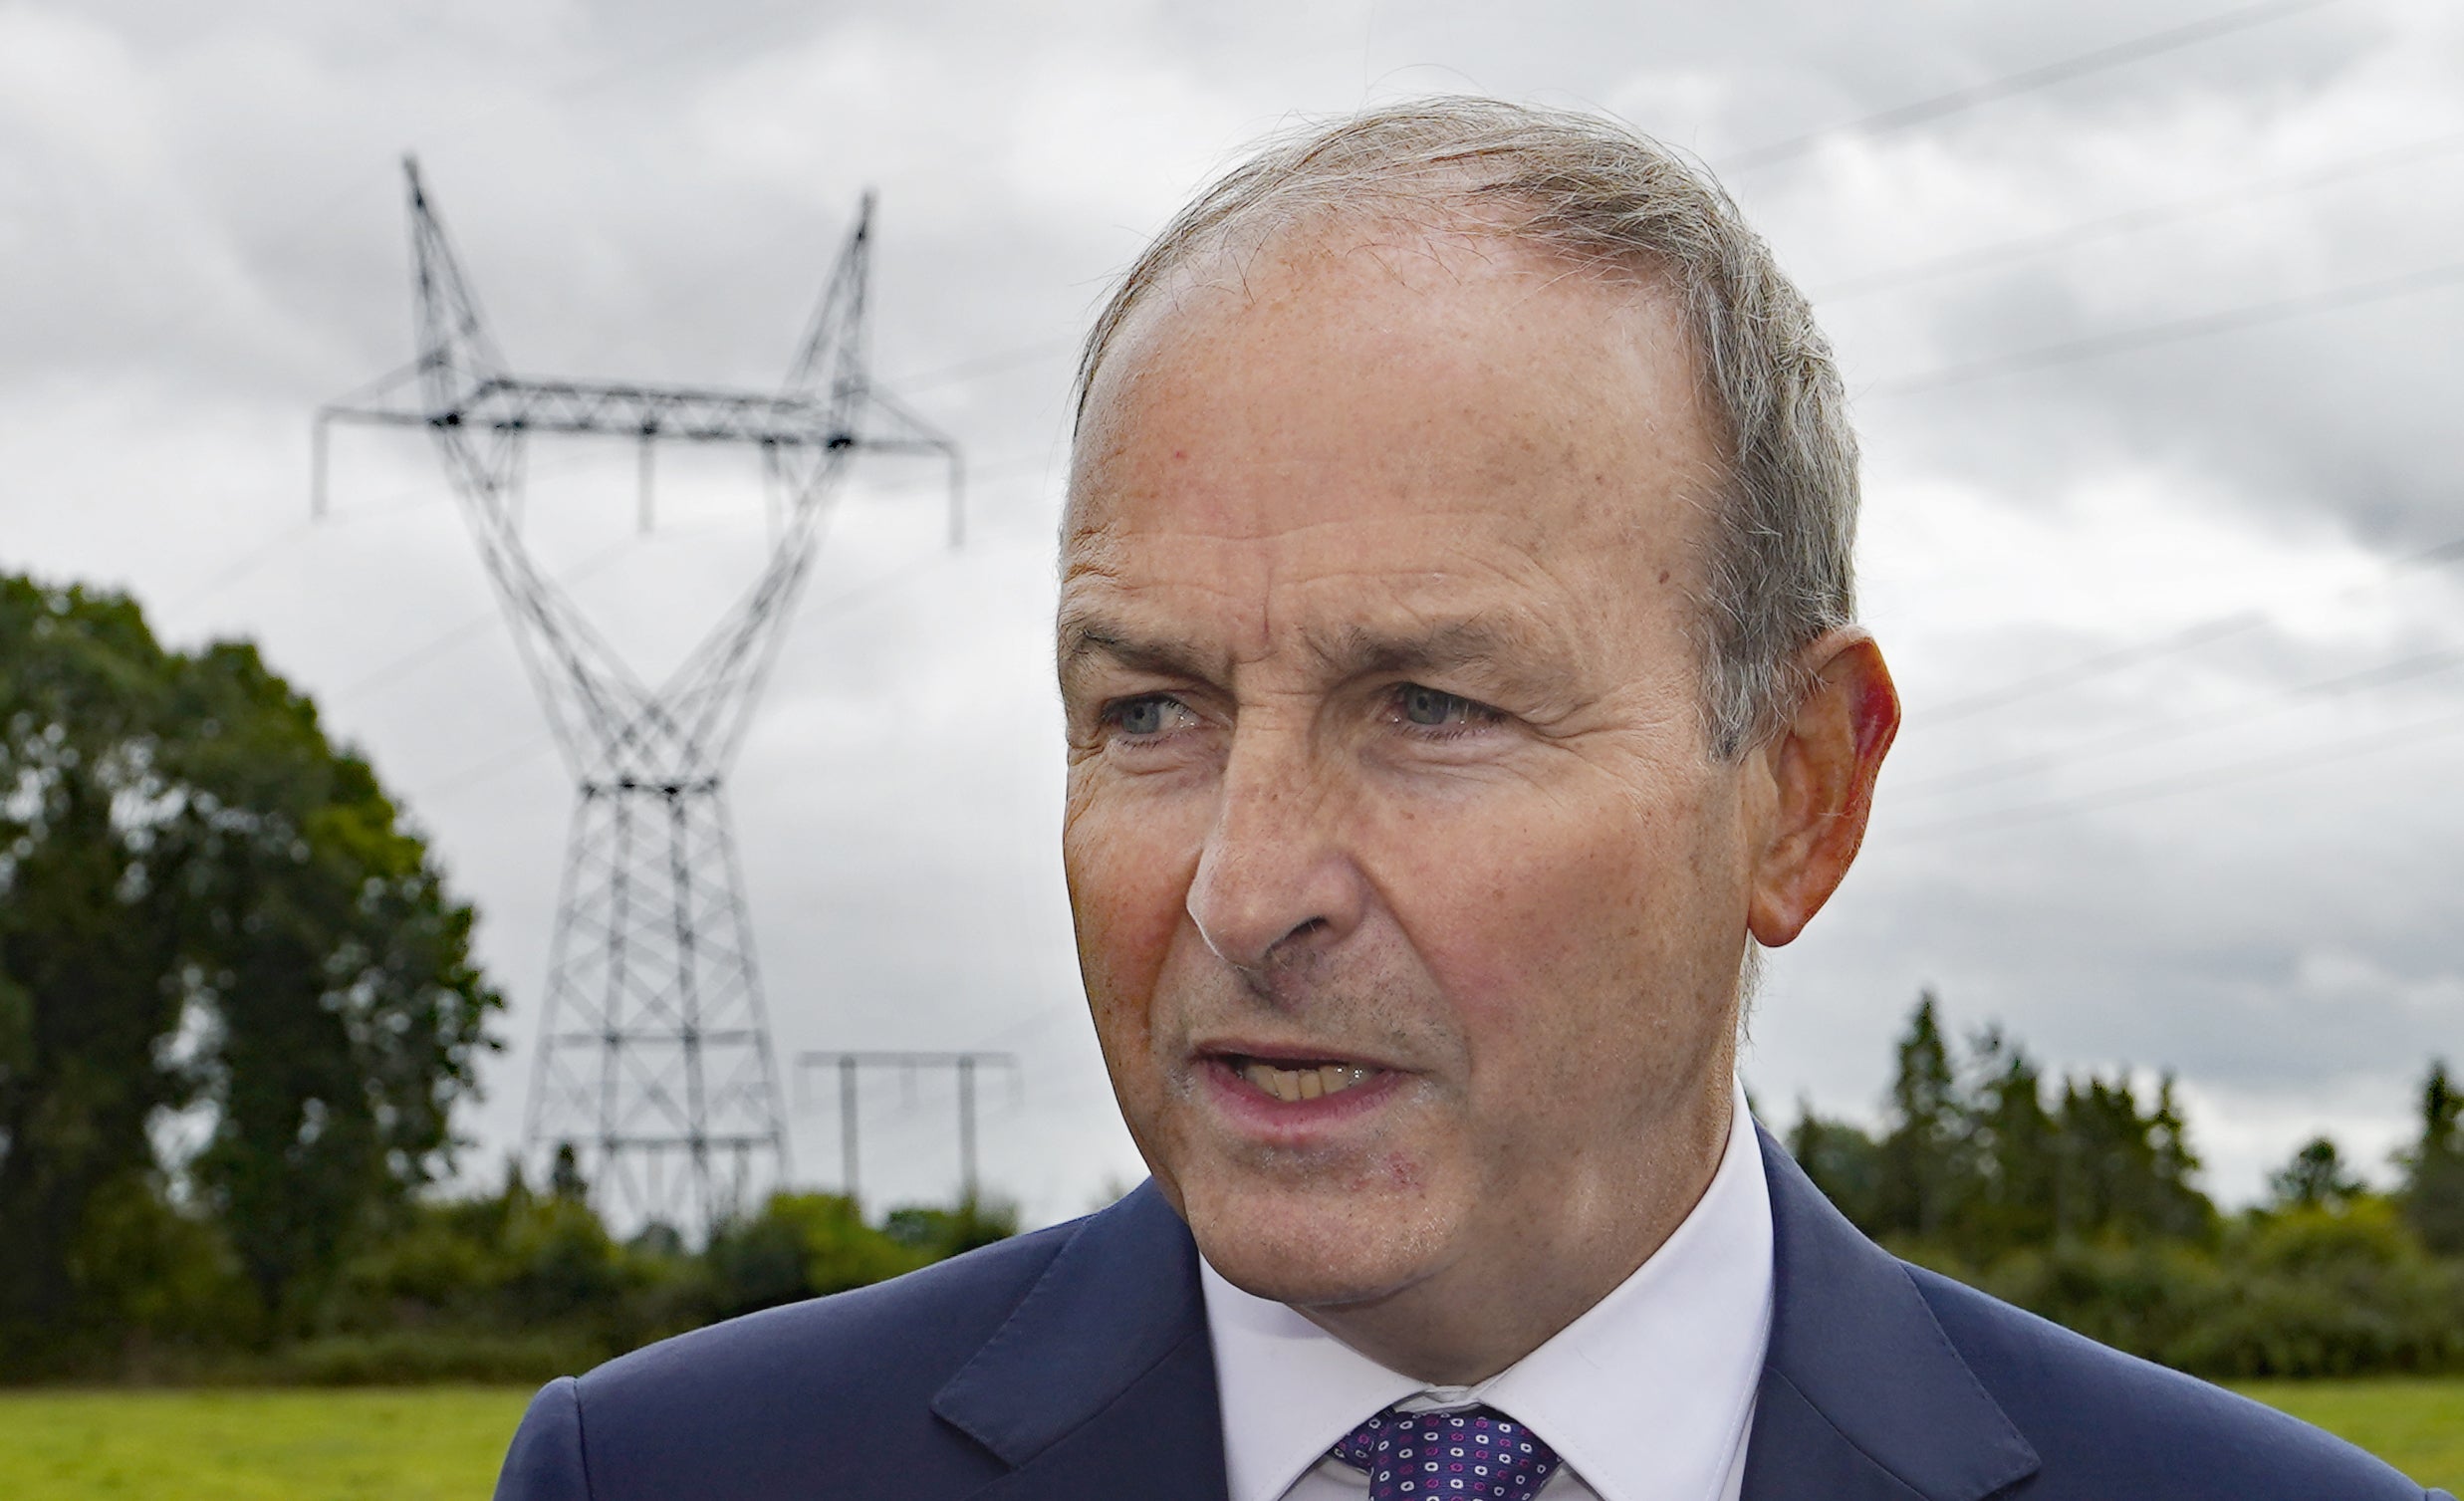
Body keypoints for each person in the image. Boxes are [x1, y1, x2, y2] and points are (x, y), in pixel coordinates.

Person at [493, 99, 2445, 1501]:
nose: (1242, 891)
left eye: (1426, 703)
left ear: (1795, 791)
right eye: (1151, 708)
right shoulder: (666, 1473)